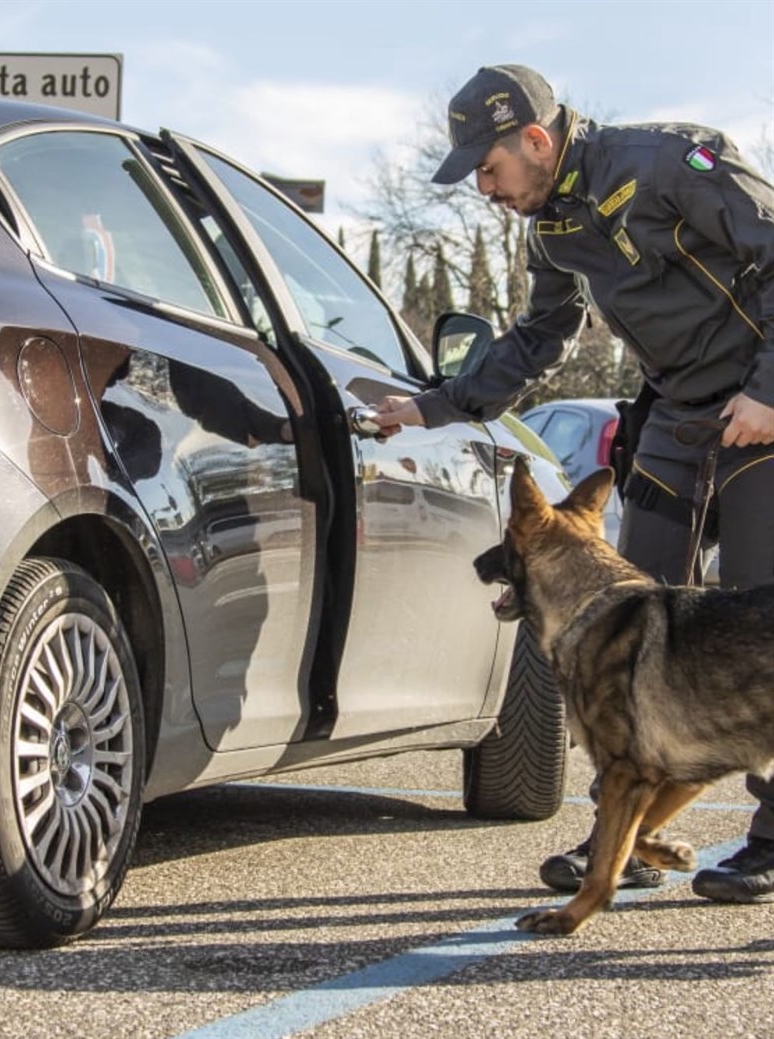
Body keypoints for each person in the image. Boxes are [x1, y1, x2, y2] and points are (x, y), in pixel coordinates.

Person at [372, 64, 774, 904]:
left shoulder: (668, 164)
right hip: (676, 416)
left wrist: (769, 388)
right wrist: (434, 406)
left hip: (759, 412)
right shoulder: (549, 227)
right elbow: (540, 338)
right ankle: (622, 835)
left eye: (489, 169)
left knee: (756, 625)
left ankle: (770, 838)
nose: (485, 189)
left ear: (535, 139)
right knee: (631, 625)